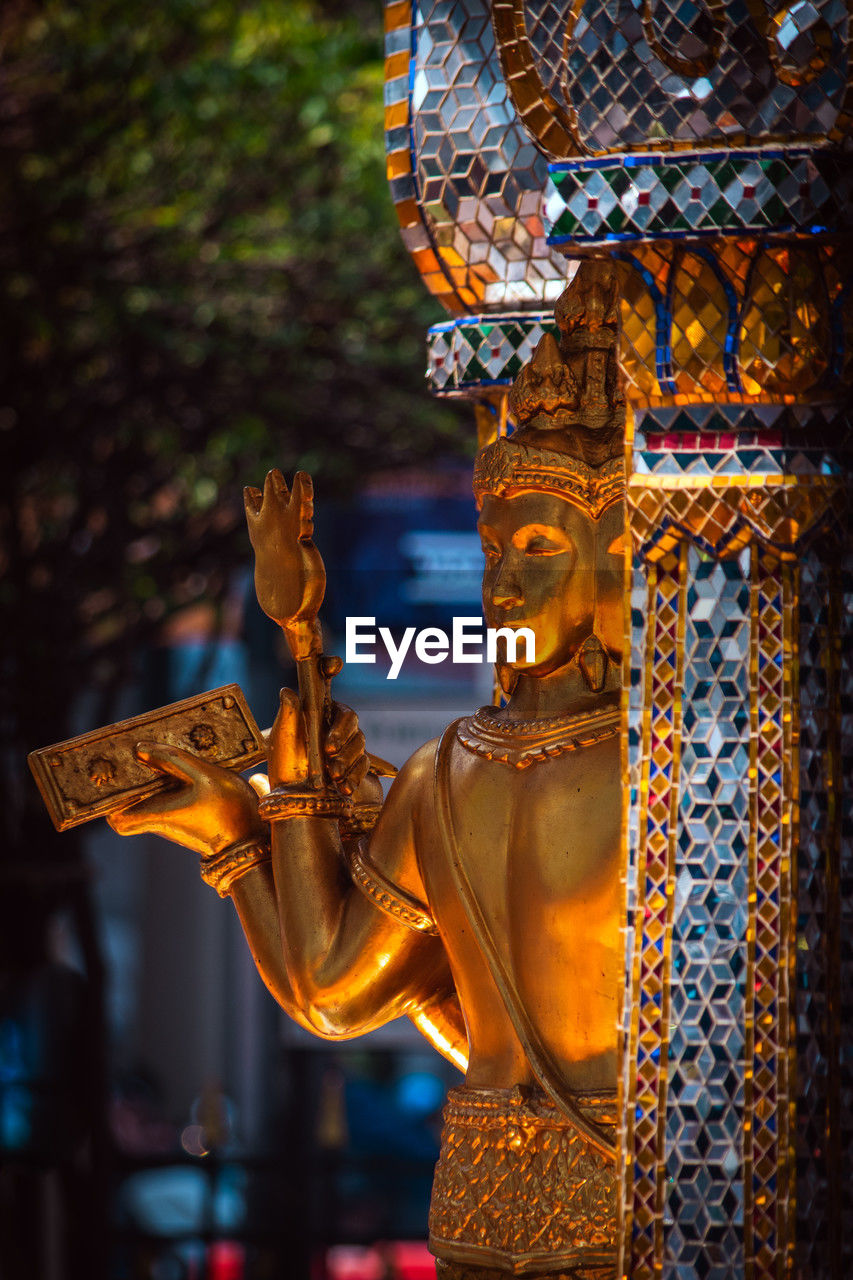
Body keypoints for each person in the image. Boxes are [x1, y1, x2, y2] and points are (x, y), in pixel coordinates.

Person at [110, 260, 626, 1279]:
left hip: (509, 1199)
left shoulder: (458, 770)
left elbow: (337, 994)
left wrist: (248, 836)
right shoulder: (637, 765)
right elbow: (336, 991)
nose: (502, 584)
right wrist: (248, 814)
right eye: (492, 550)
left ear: (614, 558)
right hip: (615, 1195)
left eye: (535, 546)